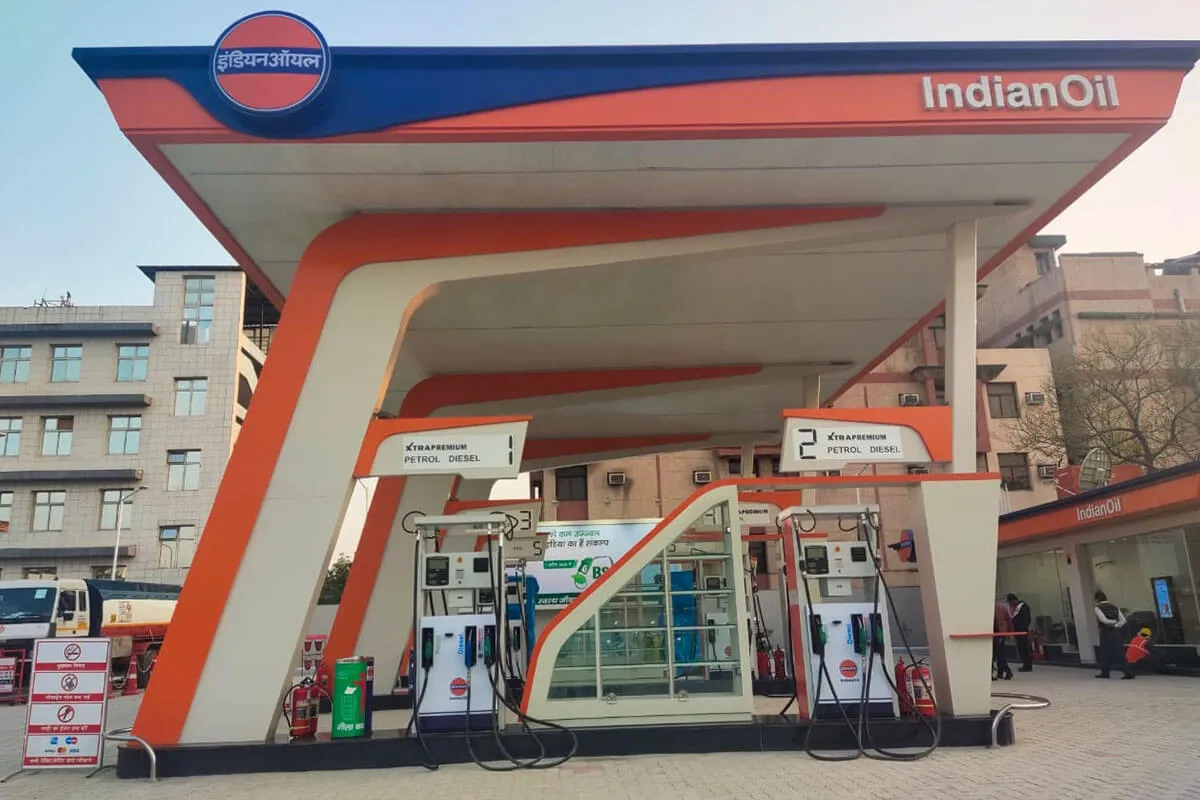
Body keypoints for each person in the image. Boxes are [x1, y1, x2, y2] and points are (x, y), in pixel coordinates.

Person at [1094, 591, 1134, 680]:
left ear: (1097, 599)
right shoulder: (1114, 606)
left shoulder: (1097, 607)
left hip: (1106, 632)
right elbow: (1123, 620)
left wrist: (1112, 623)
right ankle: (1128, 672)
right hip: (1116, 632)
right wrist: (1117, 625)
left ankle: (1105, 672)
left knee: (1105, 652)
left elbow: (1103, 620)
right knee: (1120, 652)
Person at [1007, 593, 1034, 672]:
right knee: (1021, 648)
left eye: (1010, 602)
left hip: (1022, 631)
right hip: (1020, 631)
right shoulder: (1020, 607)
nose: (1010, 604)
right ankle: (1026, 664)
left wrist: (1021, 627)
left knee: (1024, 648)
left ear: (1013, 600)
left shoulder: (1022, 607)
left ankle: (1027, 665)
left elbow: (1024, 619)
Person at [993, 599, 1013, 680]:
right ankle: (1001, 672)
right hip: (1000, 633)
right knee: (999, 653)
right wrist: (1009, 633)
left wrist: (1009, 633)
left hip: (997, 633)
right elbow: (1009, 620)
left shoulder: (998, 607)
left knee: (998, 654)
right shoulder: (1001, 607)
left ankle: (1007, 671)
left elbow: (1008, 620)